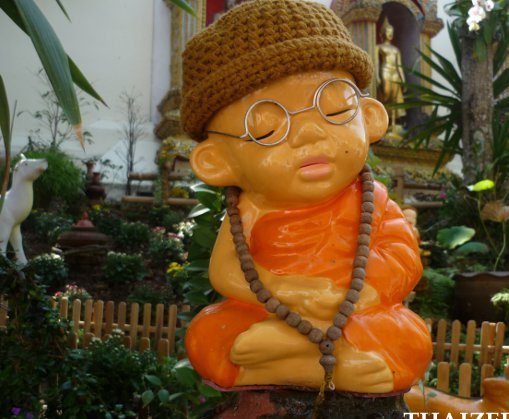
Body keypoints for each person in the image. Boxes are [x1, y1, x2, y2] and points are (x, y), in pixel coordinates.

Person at [181, 0, 431, 394]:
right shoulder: (249, 208)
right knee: (206, 334)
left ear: (369, 118)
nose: (309, 135)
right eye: (266, 131)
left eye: (334, 110)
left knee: (412, 339)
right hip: (272, 308)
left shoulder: (373, 199)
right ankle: (322, 365)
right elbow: (225, 272)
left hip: (352, 312)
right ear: (217, 162)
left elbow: (401, 254)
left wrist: (359, 295)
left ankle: (301, 354)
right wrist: (286, 291)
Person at [376, 18, 406, 132]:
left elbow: (399, 66)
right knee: (385, 95)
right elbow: (376, 62)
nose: (390, 34)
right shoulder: (379, 47)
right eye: (388, 31)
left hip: (395, 74)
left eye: (391, 32)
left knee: (395, 98)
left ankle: (393, 123)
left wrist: (403, 79)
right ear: (382, 33)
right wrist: (377, 77)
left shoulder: (396, 49)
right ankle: (384, 122)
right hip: (385, 72)